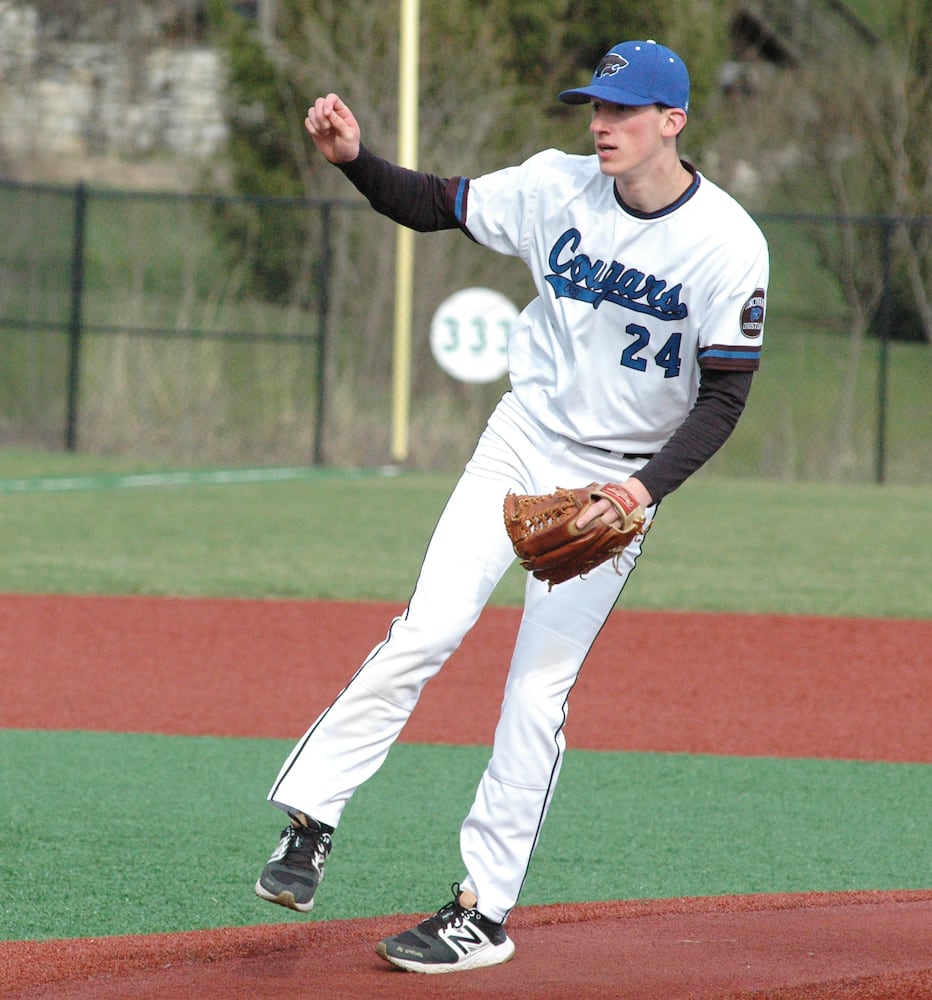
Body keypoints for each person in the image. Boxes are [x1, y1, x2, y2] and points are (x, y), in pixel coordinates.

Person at [254, 39, 768, 974]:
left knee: (536, 693)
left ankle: (481, 913)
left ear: (672, 122)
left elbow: (724, 398)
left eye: (621, 111)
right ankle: (310, 820)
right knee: (428, 627)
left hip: (617, 480)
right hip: (522, 439)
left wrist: (640, 490)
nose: (601, 125)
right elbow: (436, 203)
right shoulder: (553, 185)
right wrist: (354, 163)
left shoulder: (727, 245)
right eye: (594, 108)